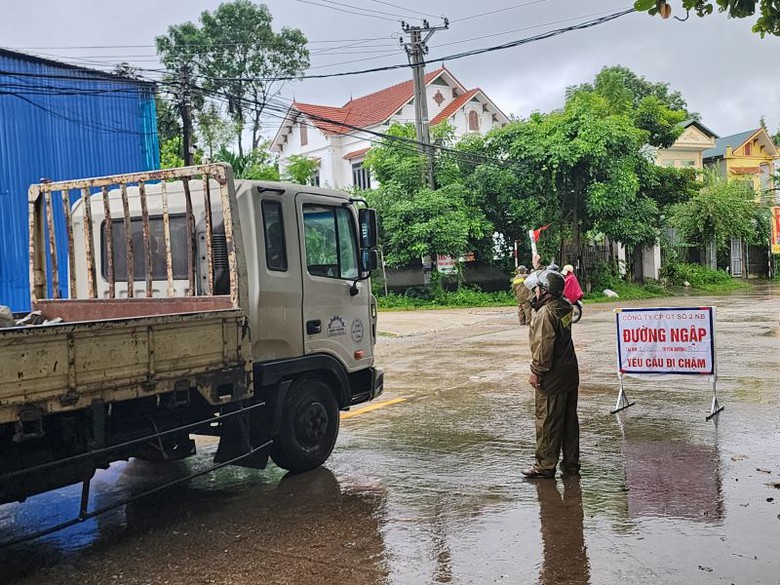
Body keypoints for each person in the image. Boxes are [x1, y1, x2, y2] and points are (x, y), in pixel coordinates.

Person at [522, 267, 580, 479]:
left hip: (552, 375)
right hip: (569, 372)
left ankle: (545, 465)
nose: (535, 291)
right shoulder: (565, 306)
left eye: (538, 288)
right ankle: (571, 463)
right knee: (569, 422)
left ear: (545, 291)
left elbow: (543, 346)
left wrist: (536, 371)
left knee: (547, 421)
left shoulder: (545, 314)